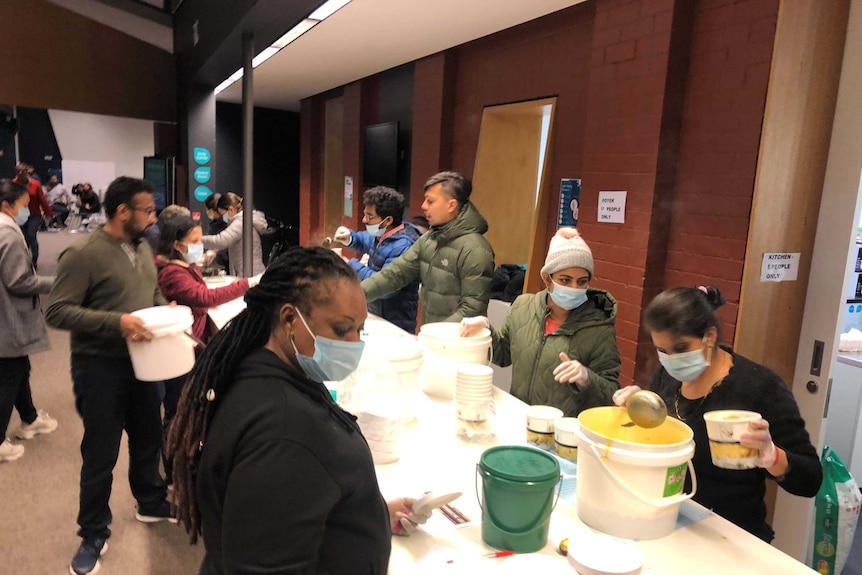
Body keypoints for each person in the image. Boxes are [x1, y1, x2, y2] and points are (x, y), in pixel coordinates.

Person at [166, 247, 429, 574]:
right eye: (342, 329)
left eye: (359, 330)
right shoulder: (286, 433)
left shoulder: (266, 370)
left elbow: (282, 509)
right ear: (290, 319)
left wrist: (366, 513)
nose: (354, 345)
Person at [613, 285, 822, 542]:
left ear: (709, 336)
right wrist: (634, 411)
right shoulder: (667, 377)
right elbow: (654, 443)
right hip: (671, 521)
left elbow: (810, 479)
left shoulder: (760, 387)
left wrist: (772, 456)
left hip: (732, 536)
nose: (671, 360)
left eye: (680, 348)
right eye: (662, 351)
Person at [45, 176, 175, 575]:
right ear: (122, 212)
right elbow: (57, 311)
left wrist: (165, 310)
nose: (154, 219)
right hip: (99, 366)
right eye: (148, 210)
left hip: (143, 363)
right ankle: (93, 532)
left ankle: (150, 501)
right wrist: (117, 322)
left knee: (147, 436)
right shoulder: (83, 253)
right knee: (101, 451)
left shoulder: (141, 246)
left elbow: (149, 293)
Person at [461, 227, 620, 416]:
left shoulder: (598, 327)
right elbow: (503, 355)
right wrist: (484, 333)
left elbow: (612, 395)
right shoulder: (523, 307)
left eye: (582, 281)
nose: (574, 288)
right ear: (547, 279)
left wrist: (587, 378)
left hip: (561, 433)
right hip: (519, 419)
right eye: (565, 280)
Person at [155, 215, 259, 480]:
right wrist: (248, 283)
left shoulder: (185, 265)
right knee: (177, 409)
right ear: (177, 245)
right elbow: (204, 297)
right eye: (195, 242)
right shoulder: (172, 273)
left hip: (191, 346)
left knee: (185, 406)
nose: (200, 246)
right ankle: (172, 471)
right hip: (180, 351)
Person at [360, 171, 495, 324]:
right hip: (432, 336)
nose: (423, 206)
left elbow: (472, 310)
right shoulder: (429, 239)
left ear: (451, 205)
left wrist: (433, 336)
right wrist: (355, 295)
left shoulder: (475, 250)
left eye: (430, 201)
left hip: (456, 342)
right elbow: (394, 274)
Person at [0, 180, 58, 463]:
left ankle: (30, 419)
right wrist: (58, 283)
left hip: (6, 316)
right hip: (8, 317)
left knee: (19, 368)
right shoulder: (8, 233)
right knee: (10, 374)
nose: (26, 210)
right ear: (6, 205)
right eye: (23, 205)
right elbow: (19, 281)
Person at [334, 186, 422, 333]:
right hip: (376, 312)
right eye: (364, 214)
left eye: (369, 216)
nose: (364, 220)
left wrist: (349, 265)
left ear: (387, 221)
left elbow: (383, 285)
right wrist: (350, 238)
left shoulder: (403, 246)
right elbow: (365, 240)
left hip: (395, 322)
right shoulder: (380, 234)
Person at [202, 191, 266, 276]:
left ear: (231, 209)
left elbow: (221, 240)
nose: (223, 218)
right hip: (249, 270)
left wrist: (196, 239)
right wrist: (215, 251)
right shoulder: (243, 221)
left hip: (249, 272)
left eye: (223, 214)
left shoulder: (241, 222)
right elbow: (231, 241)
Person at [13, 163, 52, 268]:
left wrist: (48, 212)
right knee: (23, 238)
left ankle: (34, 258)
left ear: (27, 172)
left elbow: (42, 199)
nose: (21, 173)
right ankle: (24, 258)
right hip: (20, 215)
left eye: (23, 171)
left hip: (34, 214)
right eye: (19, 172)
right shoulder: (13, 184)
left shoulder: (35, 184)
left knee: (31, 234)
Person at [204, 193, 229, 272]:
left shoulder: (228, 225)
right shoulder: (214, 224)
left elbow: (223, 242)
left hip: (225, 265)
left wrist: (214, 251)